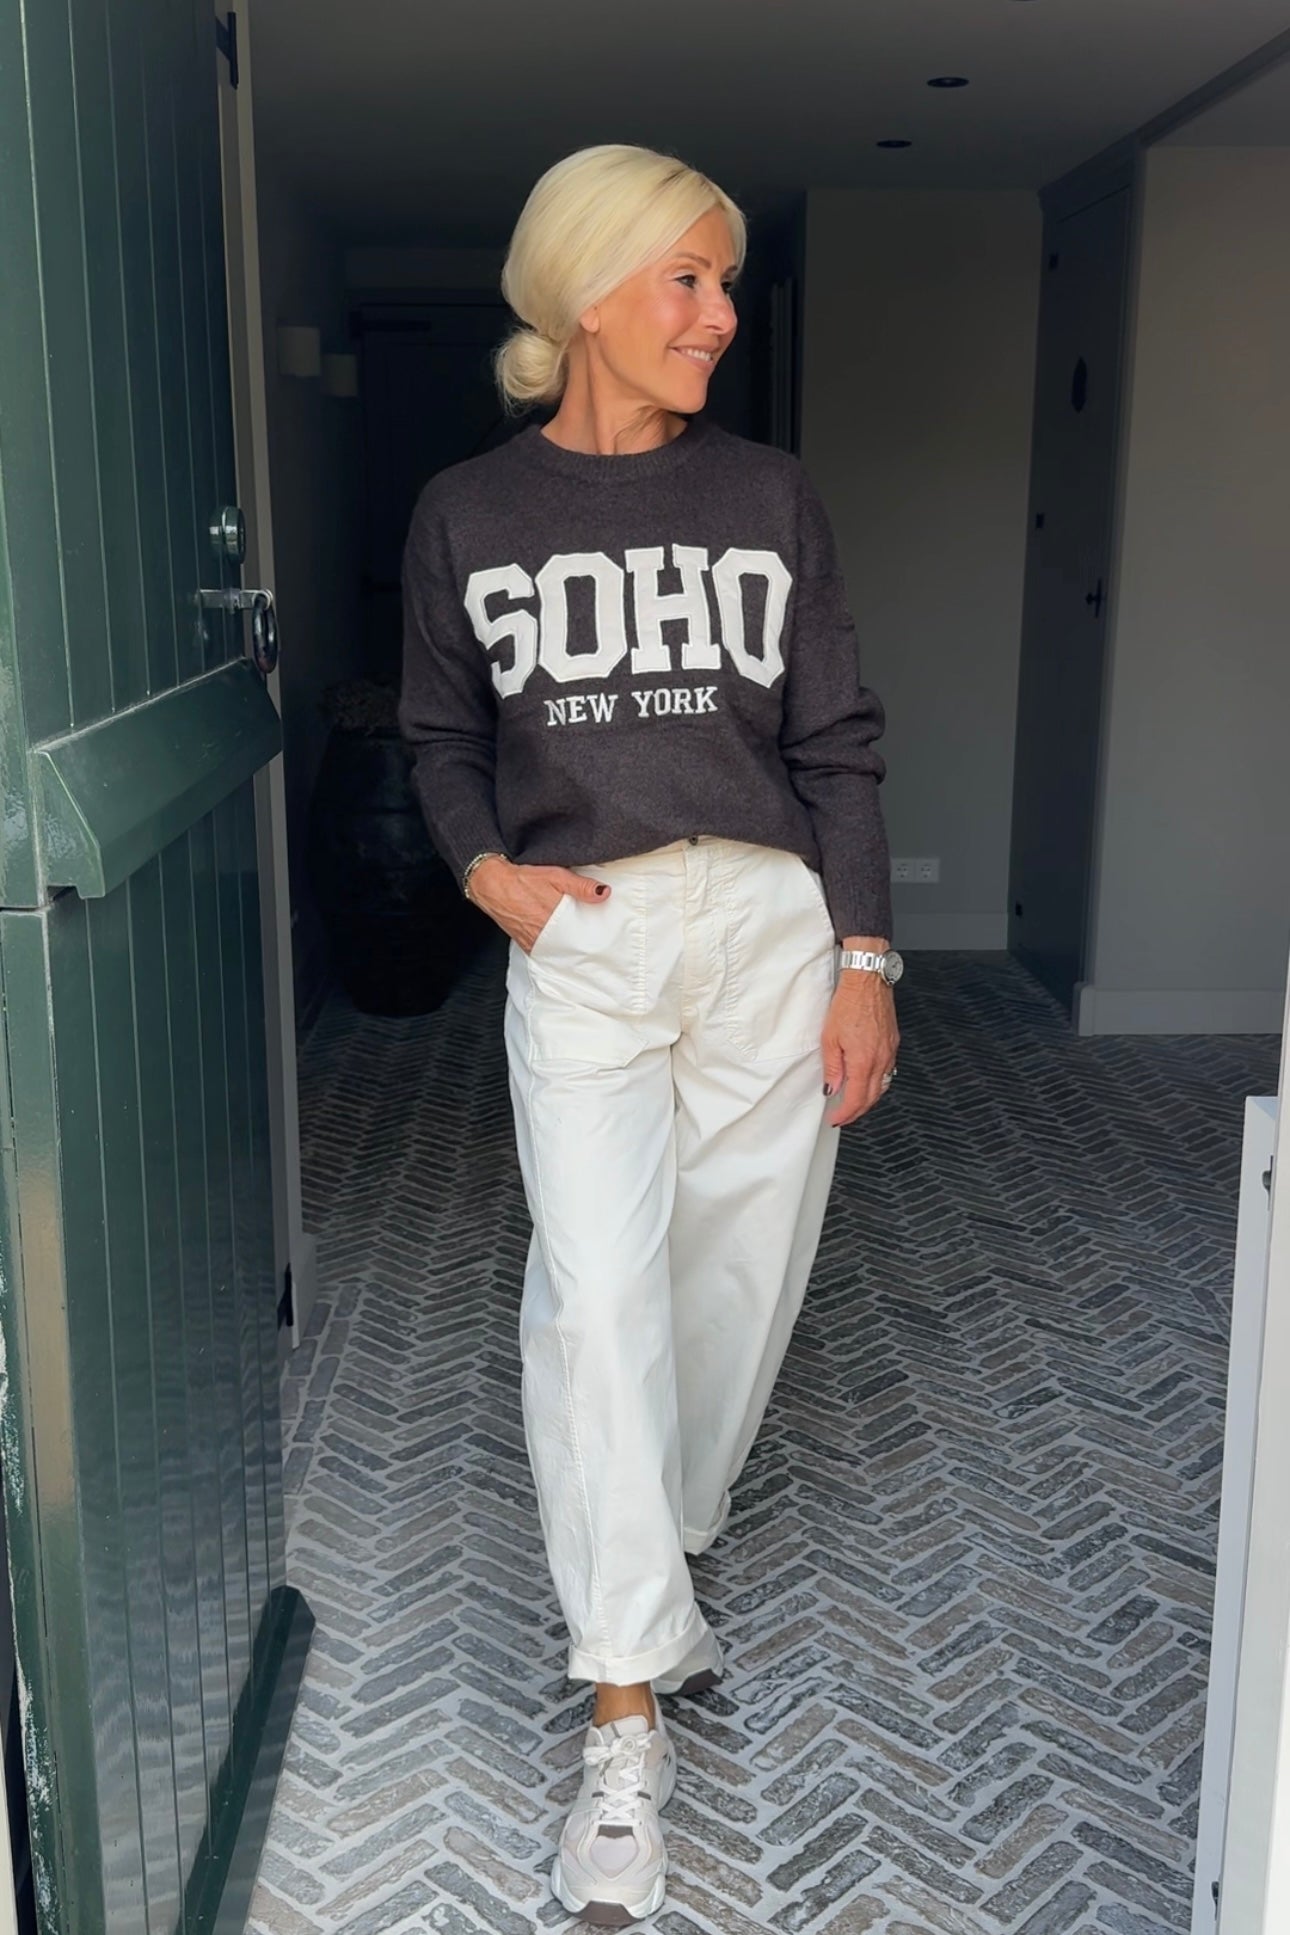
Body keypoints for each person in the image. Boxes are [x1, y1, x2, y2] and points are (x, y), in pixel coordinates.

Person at [399, 142, 901, 1925]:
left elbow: (834, 737)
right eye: (686, 277)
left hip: (765, 929)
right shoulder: (468, 511)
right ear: (587, 292)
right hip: (587, 939)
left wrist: (864, 958)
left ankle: (654, 1537)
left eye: (723, 280)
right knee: (597, 1292)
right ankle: (625, 1702)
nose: (719, 313)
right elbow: (439, 732)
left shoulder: (767, 494)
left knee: (733, 1278)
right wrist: (485, 874)